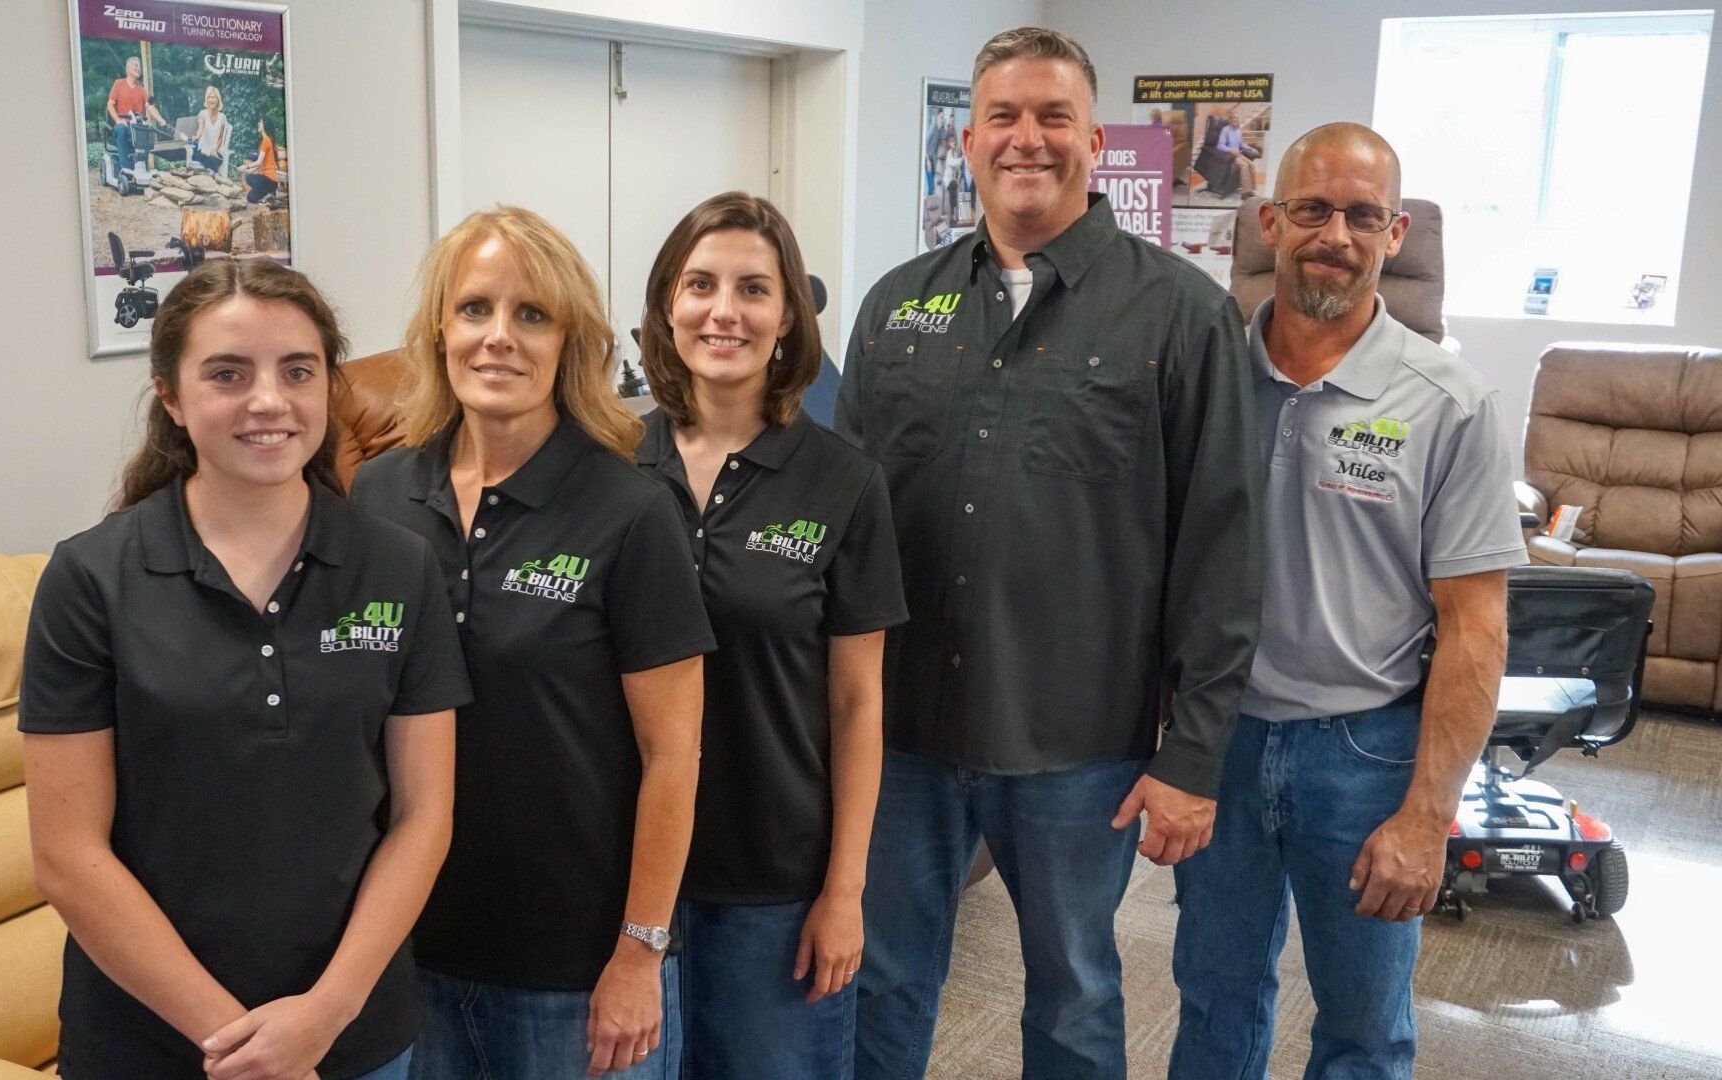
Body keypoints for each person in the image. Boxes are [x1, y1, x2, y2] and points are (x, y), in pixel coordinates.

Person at [836, 26, 1262, 1079]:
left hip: (1080, 745)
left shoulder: (1181, 315)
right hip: (903, 739)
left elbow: (1224, 550)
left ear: (1092, 137)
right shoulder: (899, 305)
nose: (1028, 139)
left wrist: (1193, 759)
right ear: (970, 140)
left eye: (1054, 116)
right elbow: (846, 534)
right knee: (881, 980)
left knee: (1073, 993)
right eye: (1005, 118)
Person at [21, 257, 471, 1080]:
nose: (268, 400)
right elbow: (67, 856)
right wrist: (241, 1044)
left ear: (328, 388)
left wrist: (324, 1017)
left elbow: (423, 815)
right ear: (170, 396)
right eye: (227, 374)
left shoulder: (400, 570)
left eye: (297, 371)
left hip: (353, 1038)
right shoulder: (90, 580)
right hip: (152, 1044)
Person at [1170, 123, 1525, 1080]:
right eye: (1315, 209)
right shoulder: (1203, 378)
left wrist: (1427, 817)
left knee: (1365, 1032)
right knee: (1213, 1004)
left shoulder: (1447, 400)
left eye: (1362, 215)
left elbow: (1475, 628)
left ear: (1396, 234)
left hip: (1365, 756)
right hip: (1223, 743)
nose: (1337, 233)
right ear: (1269, 220)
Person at [350, 206, 715, 1080]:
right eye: (475, 309)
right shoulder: (377, 494)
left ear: (571, 343)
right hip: (410, 948)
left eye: (532, 315)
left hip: (576, 969)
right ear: (439, 331)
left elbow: (675, 754)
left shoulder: (631, 511)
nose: (498, 338)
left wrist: (640, 953)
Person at [633, 192, 908, 1080]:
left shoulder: (842, 481)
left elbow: (858, 702)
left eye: (754, 289)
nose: (724, 311)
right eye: (700, 284)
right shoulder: (608, 466)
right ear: (666, 303)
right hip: (629, 876)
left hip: (776, 879)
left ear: (789, 315)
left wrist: (845, 889)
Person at [106, 55, 167, 182]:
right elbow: (110, 105)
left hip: (137, 127)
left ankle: (142, 169)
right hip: (122, 125)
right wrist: (118, 120)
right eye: (135, 65)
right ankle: (125, 170)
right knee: (122, 129)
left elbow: (149, 107)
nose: (138, 68)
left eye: (139, 66)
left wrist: (160, 119)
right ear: (128, 68)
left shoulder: (141, 89)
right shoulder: (119, 84)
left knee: (147, 132)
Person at [243, 116, 282, 205]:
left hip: (270, 179)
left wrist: (246, 166)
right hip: (268, 180)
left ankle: (268, 193)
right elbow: (260, 165)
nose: (258, 124)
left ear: (265, 125)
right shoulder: (266, 140)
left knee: (249, 182)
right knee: (250, 192)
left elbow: (258, 162)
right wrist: (246, 170)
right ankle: (268, 194)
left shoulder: (266, 140)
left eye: (260, 122)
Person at [194, 85, 231, 175]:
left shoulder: (222, 117)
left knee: (215, 159)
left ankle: (209, 173)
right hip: (203, 151)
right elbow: (200, 129)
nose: (211, 100)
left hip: (215, 152)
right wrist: (197, 136)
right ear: (207, 100)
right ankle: (214, 174)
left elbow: (220, 138)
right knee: (200, 155)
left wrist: (214, 150)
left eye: (213, 97)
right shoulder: (203, 114)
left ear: (218, 99)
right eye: (209, 97)